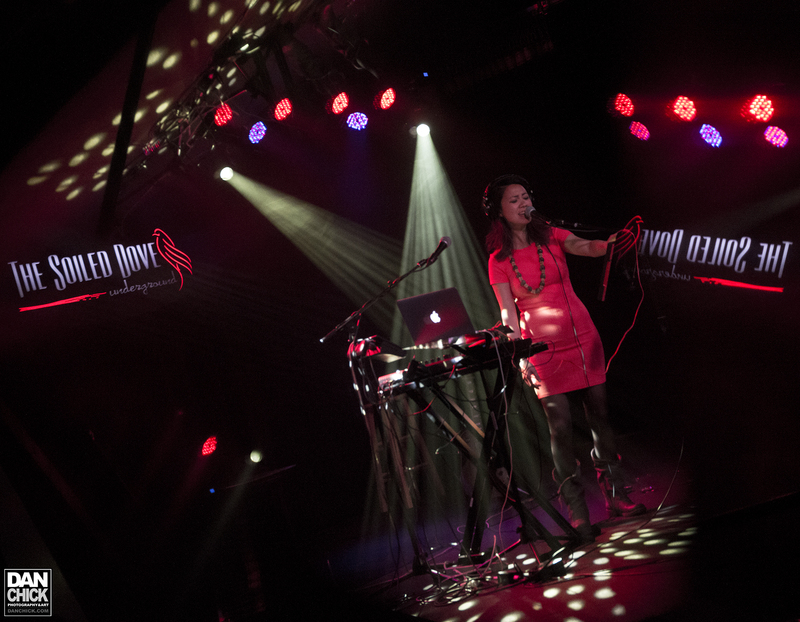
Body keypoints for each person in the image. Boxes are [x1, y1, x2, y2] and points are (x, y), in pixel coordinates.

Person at [483, 174, 645, 542]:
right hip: (541, 349)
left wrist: (608, 244)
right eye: (514, 199)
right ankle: (576, 509)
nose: (523, 203)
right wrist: (520, 357)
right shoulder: (499, 261)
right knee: (559, 427)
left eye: (526, 196)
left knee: (600, 416)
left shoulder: (552, 235)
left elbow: (585, 246)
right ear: (498, 211)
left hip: (582, 337)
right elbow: (508, 314)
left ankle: (616, 496)